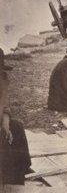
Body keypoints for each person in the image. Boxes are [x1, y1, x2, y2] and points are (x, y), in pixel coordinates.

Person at [0, 49, 31, 186]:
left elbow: (4, 104)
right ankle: (8, 176)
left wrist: (5, 123)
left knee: (16, 126)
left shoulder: (3, 78)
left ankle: (20, 170)